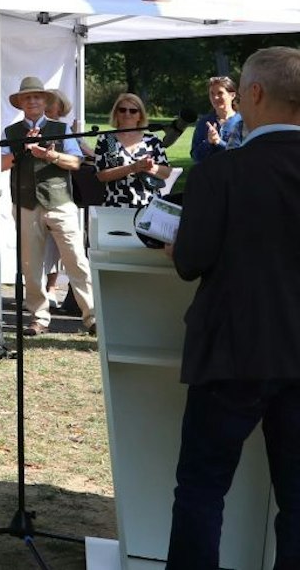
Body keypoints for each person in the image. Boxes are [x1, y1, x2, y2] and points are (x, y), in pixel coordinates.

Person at [166, 45, 300, 569]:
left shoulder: (220, 173)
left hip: (232, 351)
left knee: (201, 488)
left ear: (256, 93)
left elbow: (191, 261)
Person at [0, 75, 94, 336]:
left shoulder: (61, 129)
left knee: (75, 259)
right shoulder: (10, 132)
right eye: (27, 97)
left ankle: (92, 316)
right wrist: (22, 150)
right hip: (26, 203)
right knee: (31, 264)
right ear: (20, 103)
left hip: (60, 201)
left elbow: (76, 162)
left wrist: (50, 155)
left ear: (45, 101)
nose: (32, 100)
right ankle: (39, 316)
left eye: (37, 96)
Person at [94, 93, 173, 209]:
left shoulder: (151, 140)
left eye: (133, 111)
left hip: (148, 205)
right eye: (122, 110)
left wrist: (149, 167)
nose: (127, 114)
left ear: (140, 115)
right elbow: (102, 175)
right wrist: (132, 168)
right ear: (116, 113)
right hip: (116, 204)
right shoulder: (109, 140)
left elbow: (166, 173)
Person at [190, 75, 244, 164]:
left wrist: (219, 142)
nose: (215, 98)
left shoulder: (243, 122)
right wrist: (208, 142)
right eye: (212, 93)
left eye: (220, 93)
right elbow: (195, 156)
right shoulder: (204, 123)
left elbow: (244, 156)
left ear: (232, 95)